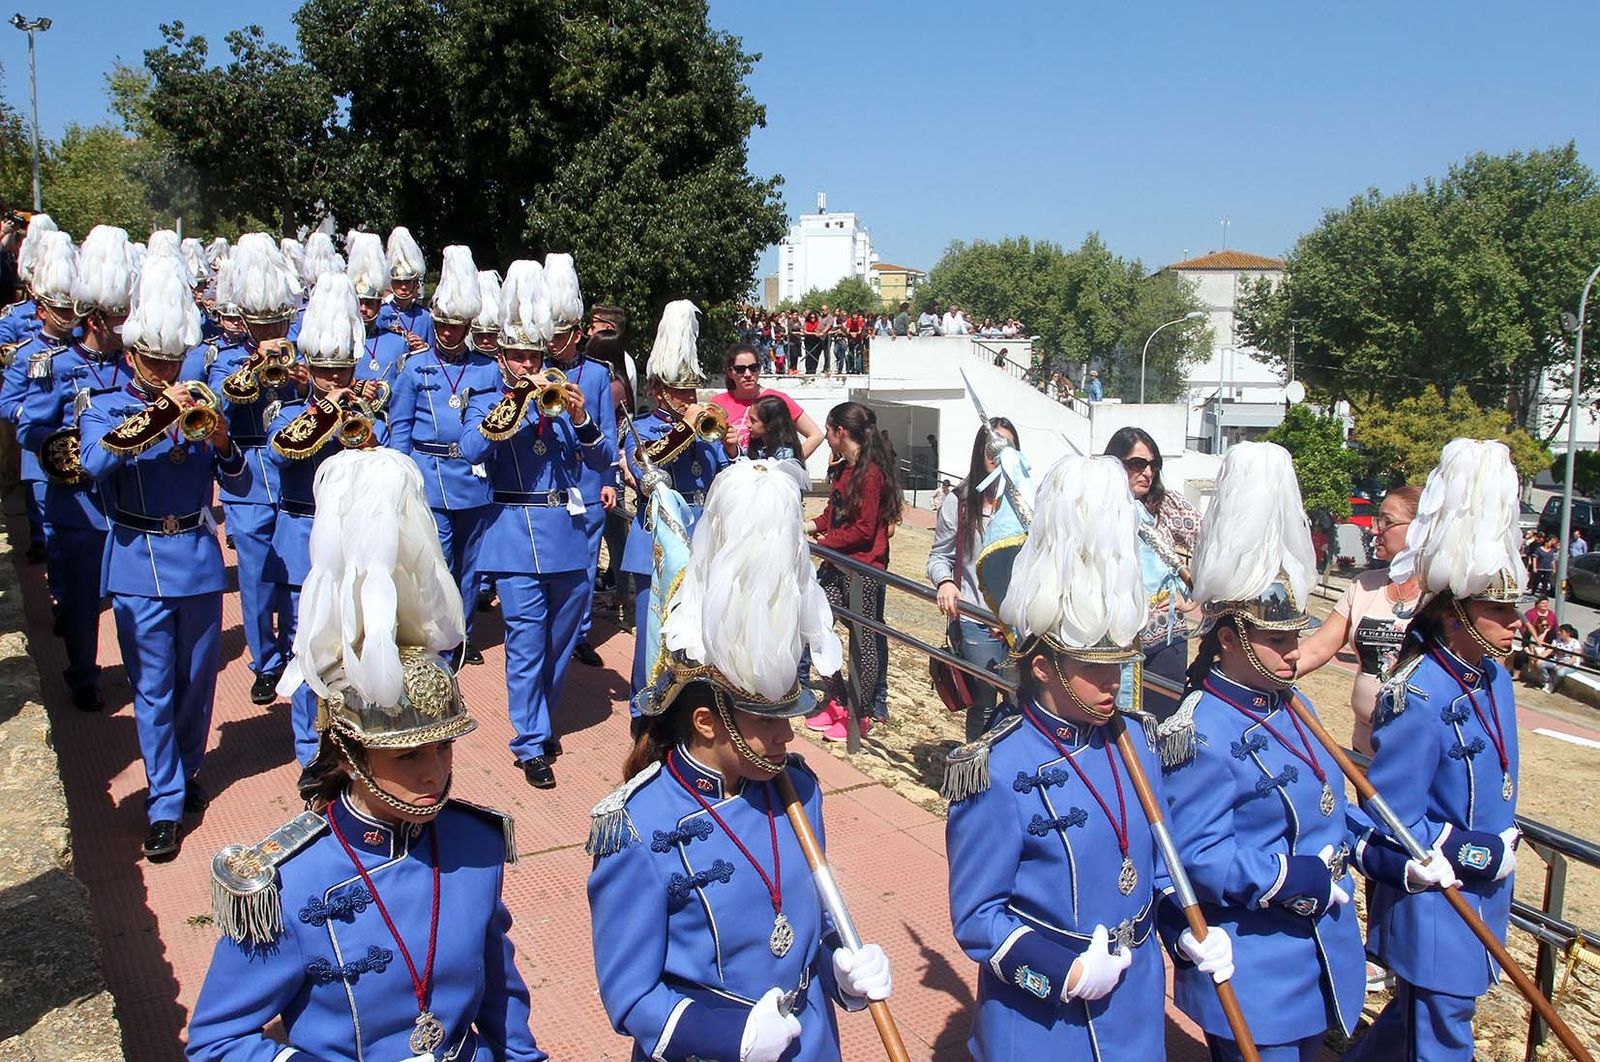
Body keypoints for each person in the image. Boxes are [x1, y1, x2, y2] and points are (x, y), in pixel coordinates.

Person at [187, 448, 546, 1062]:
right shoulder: (286, 879)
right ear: (351, 756)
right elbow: (216, 1042)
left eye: (443, 748)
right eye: (407, 757)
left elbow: (502, 1002)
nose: (435, 774)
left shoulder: (475, 844)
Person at [588, 459, 893, 1062]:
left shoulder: (799, 790)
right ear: (707, 721)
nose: (788, 736)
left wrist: (842, 971)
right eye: (767, 721)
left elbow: (812, 926)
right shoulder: (637, 826)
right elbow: (629, 995)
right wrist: (729, 1036)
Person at [943, 454, 1235, 1060]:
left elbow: (1155, 870)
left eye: (1117, 670)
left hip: (1134, 1003)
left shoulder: (1137, 741)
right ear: (1045, 667)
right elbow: (977, 918)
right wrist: (1058, 972)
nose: (1113, 687)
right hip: (1044, 1022)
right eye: (1096, 672)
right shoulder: (995, 769)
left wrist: (1187, 933)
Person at [1159, 441, 1366, 1060]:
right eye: (1276, 641)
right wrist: (1285, 876)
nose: (1293, 653)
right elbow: (1196, 854)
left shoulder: (1288, 703)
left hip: (1317, 950)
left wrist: (1373, 840)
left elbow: (1323, 801)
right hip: (1256, 961)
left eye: (1293, 638)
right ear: (1229, 639)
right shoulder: (1201, 731)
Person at [1345, 438, 1523, 1062]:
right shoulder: (1418, 695)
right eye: (1497, 609)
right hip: (1437, 893)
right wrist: (1474, 852)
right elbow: (1391, 815)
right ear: (1455, 616)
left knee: (1409, 1030)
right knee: (1443, 1036)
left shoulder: (1493, 677)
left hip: (1483, 893)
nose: (1515, 621)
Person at [79, 254, 247, 862]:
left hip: (197, 556)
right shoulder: (104, 404)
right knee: (152, 688)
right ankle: (165, 801)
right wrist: (158, 413)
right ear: (132, 358)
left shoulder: (201, 401)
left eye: (174, 362)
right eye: (155, 363)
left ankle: (186, 767)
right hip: (138, 559)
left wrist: (224, 440)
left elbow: (241, 481)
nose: (168, 372)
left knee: (196, 682)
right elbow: (93, 464)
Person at [459, 260, 616, 790]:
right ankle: (529, 740)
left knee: (561, 638)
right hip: (511, 532)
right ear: (500, 357)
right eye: (517, 357)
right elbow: (470, 449)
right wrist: (515, 405)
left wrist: (577, 417)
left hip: (568, 534)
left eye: (534, 355)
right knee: (525, 640)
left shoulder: (567, 391)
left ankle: (541, 718)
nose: (527, 365)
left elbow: (601, 460)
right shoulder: (487, 395)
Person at [266, 264, 386, 794]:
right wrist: (327, 414)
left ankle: (346, 744)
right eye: (326, 371)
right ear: (309, 368)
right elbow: (283, 451)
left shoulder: (366, 411)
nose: (336, 381)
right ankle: (308, 754)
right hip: (302, 543)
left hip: (354, 545)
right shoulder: (285, 410)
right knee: (306, 652)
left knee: (350, 650)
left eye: (343, 371)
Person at [18, 225, 136, 713]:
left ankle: (136, 670)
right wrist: (63, 445)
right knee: (83, 602)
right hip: (79, 501)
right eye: (114, 315)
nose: (122, 323)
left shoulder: (131, 366)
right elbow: (26, 425)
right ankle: (83, 674)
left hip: (125, 499)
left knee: (130, 598)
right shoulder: (55, 363)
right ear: (93, 318)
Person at [386, 245, 501, 669]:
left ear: (469, 325)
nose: (448, 332)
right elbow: (399, 426)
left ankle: (461, 633)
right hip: (428, 474)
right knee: (437, 562)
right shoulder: (414, 367)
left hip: (472, 478)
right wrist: (401, 475)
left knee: (470, 565)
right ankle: (434, 633)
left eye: (456, 326)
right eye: (441, 324)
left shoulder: (487, 368)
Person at [620, 299, 733, 729]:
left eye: (691, 391)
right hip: (657, 544)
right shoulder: (643, 427)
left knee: (696, 630)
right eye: (679, 391)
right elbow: (646, 471)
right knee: (652, 630)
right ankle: (642, 710)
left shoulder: (707, 428)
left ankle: (686, 706)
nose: (689, 399)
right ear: (657, 391)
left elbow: (720, 480)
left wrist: (729, 449)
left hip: (701, 540)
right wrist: (686, 429)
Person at [207, 245, 299, 706]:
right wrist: (255, 367)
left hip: (295, 473)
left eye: (276, 323)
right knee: (257, 577)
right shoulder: (225, 360)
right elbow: (216, 412)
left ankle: (296, 651)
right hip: (249, 475)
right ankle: (265, 662)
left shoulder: (302, 352)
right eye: (260, 324)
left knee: (297, 573)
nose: (270, 332)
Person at [1297, 486, 1423, 755]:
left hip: (1418, 756)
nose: (1374, 530)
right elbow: (1316, 649)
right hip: (1365, 750)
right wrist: (1256, 674)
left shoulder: (1443, 595)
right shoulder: (1364, 586)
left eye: (1387, 522)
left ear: (1422, 528)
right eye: (1378, 520)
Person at [803, 402, 901, 739]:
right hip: (836, 563)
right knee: (817, 625)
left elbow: (862, 530)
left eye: (829, 432)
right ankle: (838, 699)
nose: (827, 439)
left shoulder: (871, 473)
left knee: (864, 642)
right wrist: (808, 526)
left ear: (839, 431)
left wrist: (823, 543)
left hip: (862, 571)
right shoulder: (846, 469)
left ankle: (860, 714)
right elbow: (834, 513)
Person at [928, 419, 1020, 741]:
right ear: (980, 453)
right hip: (975, 620)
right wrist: (945, 582)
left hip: (1019, 624)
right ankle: (977, 770)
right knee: (982, 703)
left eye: (1007, 447)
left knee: (1019, 701)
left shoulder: (1025, 504)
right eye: (992, 448)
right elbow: (939, 556)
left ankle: (1007, 767)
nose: (998, 455)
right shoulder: (960, 501)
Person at [1103, 427, 1200, 699]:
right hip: (1111, 644)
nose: (1147, 472)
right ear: (1115, 463)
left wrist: (1195, 596)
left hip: (1164, 640)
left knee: (1161, 724)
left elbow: (1212, 545)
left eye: (1153, 465)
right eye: (1137, 464)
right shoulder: (1095, 509)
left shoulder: (1167, 505)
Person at [1, 224, 72, 574]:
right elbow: (7, 401)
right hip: (41, 443)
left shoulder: (78, 353)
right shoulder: (26, 349)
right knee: (46, 524)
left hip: (77, 448)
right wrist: (31, 416)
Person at [708, 342, 825, 458]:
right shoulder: (717, 404)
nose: (748, 374)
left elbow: (816, 435)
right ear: (730, 372)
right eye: (740, 369)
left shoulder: (776, 400)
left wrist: (790, 465)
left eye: (754, 368)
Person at [374, 225, 435, 349]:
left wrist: (424, 347)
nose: (403, 287)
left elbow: (434, 354)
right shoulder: (380, 313)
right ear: (391, 283)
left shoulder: (425, 317)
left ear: (415, 284)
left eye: (408, 282)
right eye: (398, 282)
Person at [744, 393, 803, 461]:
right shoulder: (759, 447)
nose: (748, 424)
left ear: (770, 425)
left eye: (753, 421)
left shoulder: (784, 453)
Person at [1539, 623, 1582, 693]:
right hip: (1557, 662)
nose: (1559, 633)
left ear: (1568, 633)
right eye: (1559, 631)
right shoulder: (1556, 641)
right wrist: (1538, 658)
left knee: (1560, 673)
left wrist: (1562, 665)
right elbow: (1549, 650)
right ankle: (1547, 681)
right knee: (1540, 663)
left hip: (1570, 665)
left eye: (1561, 631)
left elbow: (1573, 659)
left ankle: (1553, 685)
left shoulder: (1575, 643)